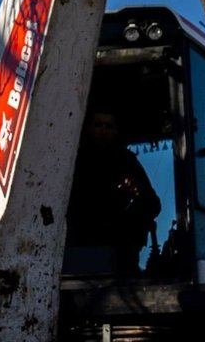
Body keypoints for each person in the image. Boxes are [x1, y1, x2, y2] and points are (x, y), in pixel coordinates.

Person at [66, 108, 161, 270]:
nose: (103, 130)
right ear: (89, 128)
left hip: (119, 254)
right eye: (98, 125)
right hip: (77, 248)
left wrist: (135, 194)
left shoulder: (128, 162)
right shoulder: (73, 161)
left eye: (108, 126)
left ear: (115, 130)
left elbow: (153, 205)